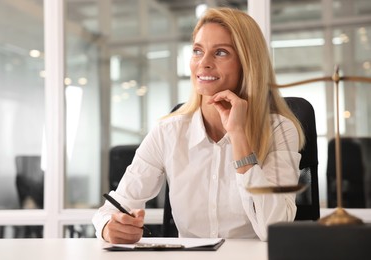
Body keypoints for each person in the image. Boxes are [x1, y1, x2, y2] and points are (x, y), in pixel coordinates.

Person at [92, 7, 305, 244]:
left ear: (247, 63)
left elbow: (274, 230)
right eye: (197, 51)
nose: (203, 63)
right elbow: (111, 209)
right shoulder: (168, 132)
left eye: (221, 53)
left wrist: (238, 135)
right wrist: (109, 228)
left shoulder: (279, 130)